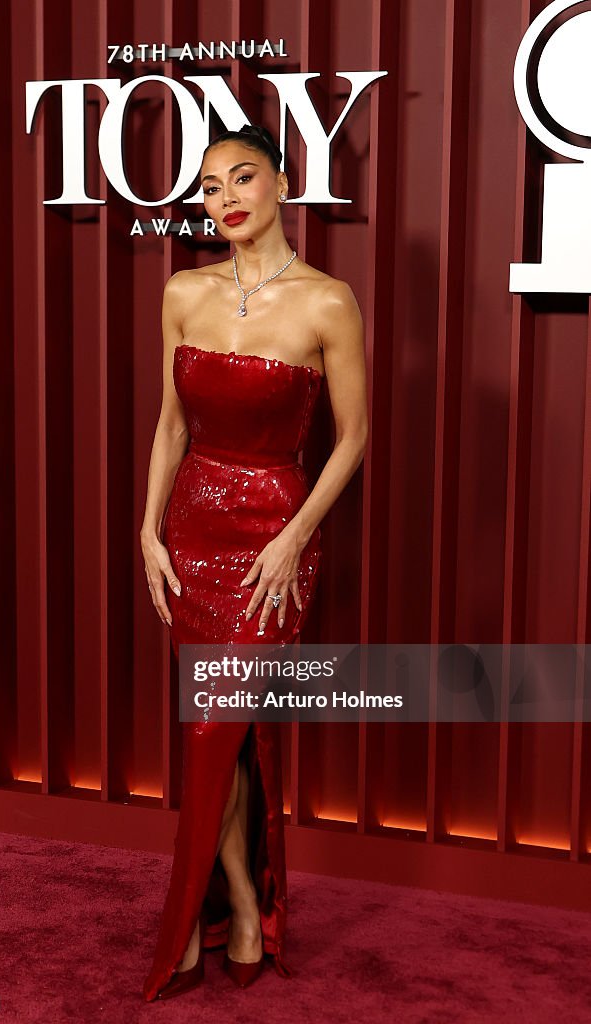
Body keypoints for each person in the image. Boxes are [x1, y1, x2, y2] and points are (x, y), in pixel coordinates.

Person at [140, 123, 368, 1001]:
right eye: (207, 186)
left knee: (215, 733)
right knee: (217, 740)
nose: (225, 197)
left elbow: (351, 441)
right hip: (191, 537)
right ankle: (239, 899)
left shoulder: (326, 302)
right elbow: (169, 427)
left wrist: (293, 537)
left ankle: (218, 911)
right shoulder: (185, 291)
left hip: (272, 541)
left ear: (283, 182)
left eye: (242, 177)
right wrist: (147, 532)